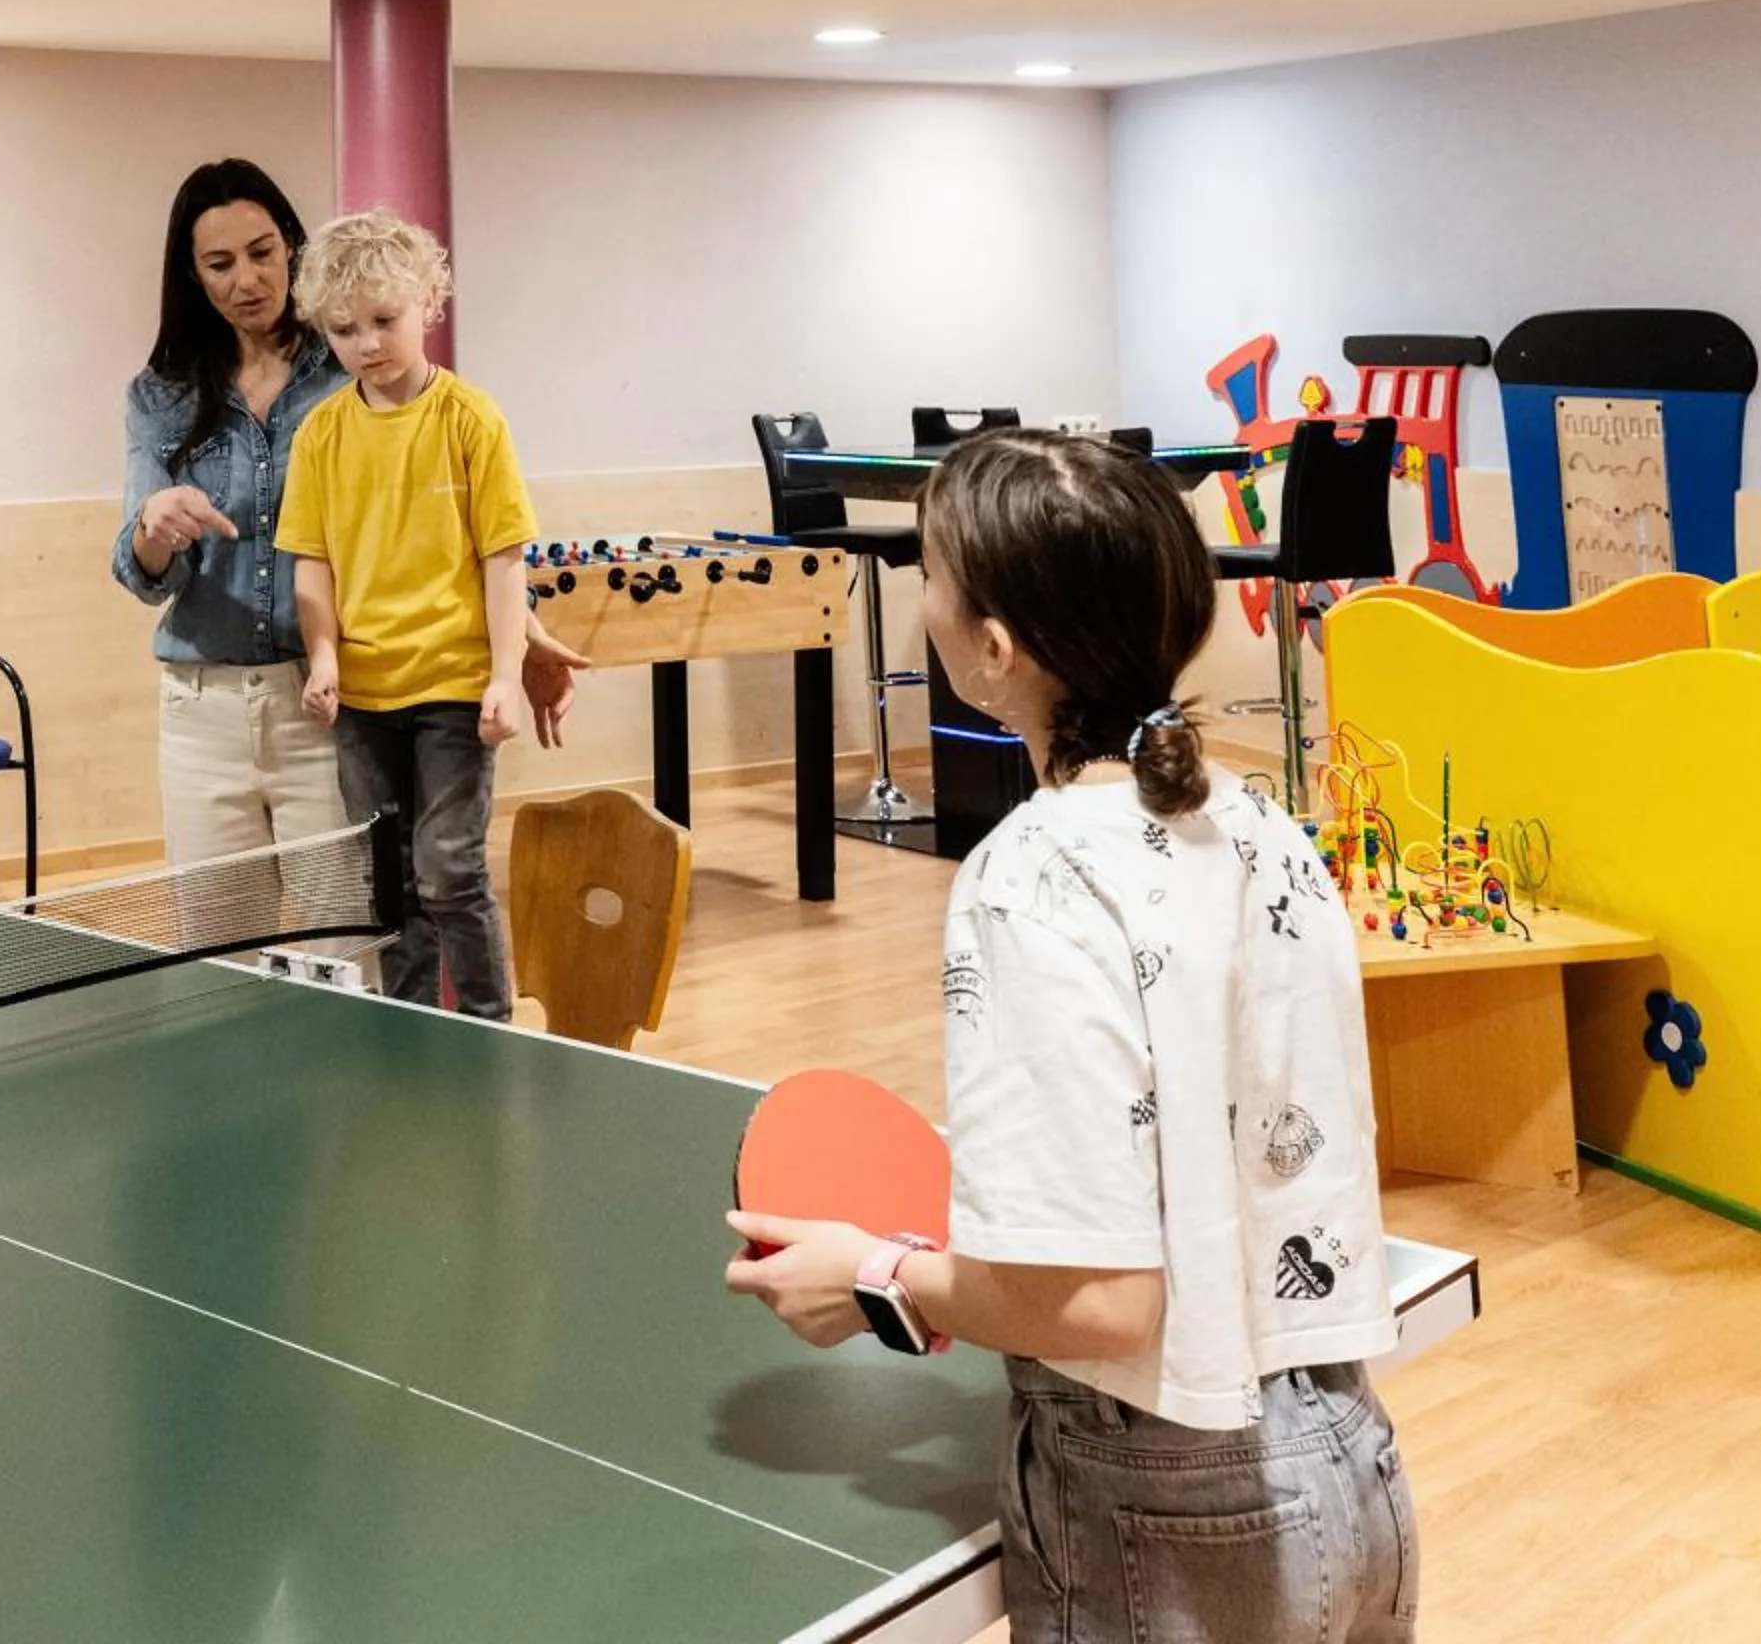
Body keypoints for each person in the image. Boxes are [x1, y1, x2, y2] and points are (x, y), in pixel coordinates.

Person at [724, 431, 1417, 1643]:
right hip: (1350, 1463)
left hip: (1169, 1504)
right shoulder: (1266, 827)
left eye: (930, 573)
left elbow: (1100, 1304)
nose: (919, 599)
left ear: (993, 651)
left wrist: (870, 1273)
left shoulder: (1026, 876)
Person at [115, 160, 581, 881]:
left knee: (347, 949)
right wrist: (153, 528)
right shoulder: (162, 395)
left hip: (331, 699)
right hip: (202, 709)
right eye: (220, 263)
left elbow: (447, 531)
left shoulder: (358, 371)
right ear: (193, 276)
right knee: (215, 962)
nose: (247, 280)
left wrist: (522, 640)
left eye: (263, 253)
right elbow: (144, 577)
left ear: (293, 252)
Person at [277, 209, 536, 1018]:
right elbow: (311, 565)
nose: (366, 344)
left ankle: (493, 1024)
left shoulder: (471, 421)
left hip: (454, 688)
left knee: (450, 868)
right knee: (389, 877)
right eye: (345, 330)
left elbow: (503, 560)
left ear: (429, 302)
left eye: (383, 320)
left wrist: (507, 677)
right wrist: (324, 658)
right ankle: (415, 1024)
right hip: (364, 694)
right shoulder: (320, 435)